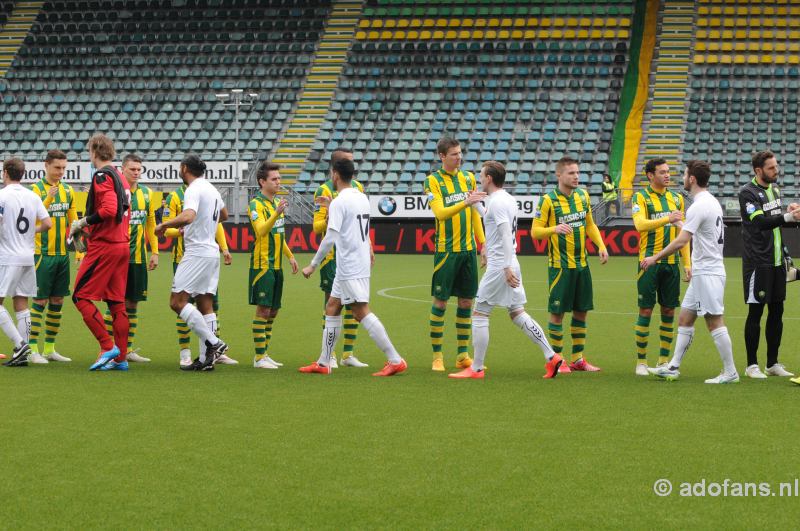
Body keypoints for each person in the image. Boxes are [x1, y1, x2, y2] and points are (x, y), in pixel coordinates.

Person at [449, 161, 564, 379]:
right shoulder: (504, 199)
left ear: (489, 178)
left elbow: (503, 234)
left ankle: (477, 368)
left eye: (481, 176)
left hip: (501, 265)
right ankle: (552, 356)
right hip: (509, 262)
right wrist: (475, 204)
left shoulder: (498, 202)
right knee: (517, 312)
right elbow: (491, 222)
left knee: (480, 313)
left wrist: (505, 266)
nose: (479, 179)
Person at [300, 158, 407, 376]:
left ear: (335, 175)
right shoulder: (361, 197)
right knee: (332, 306)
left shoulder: (340, 202)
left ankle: (395, 359)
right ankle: (323, 362)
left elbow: (330, 237)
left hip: (349, 264)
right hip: (355, 262)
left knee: (360, 312)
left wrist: (313, 264)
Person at [645, 160, 745, 383]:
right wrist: (680, 224)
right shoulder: (710, 202)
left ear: (692, 179)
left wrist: (654, 258)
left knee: (714, 321)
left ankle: (730, 372)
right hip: (704, 271)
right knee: (685, 318)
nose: (681, 178)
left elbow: (682, 242)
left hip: (708, 272)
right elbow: (698, 232)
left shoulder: (699, 205)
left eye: (685, 174)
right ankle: (673, 366)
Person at [531, 156, 607, 373]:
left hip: (582, 265)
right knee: (557, 313)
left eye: (577, 172)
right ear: (559, 175)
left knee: (581, 311)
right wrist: (553, 229)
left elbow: (590, 224)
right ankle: (558, 360)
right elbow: (535, 232)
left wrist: (601, 245)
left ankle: (578, 359)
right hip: (560, 267)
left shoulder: (582, 196)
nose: (576, 177)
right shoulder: (548, 200)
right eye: (571, 173)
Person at [155, 154, 230, 371]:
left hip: (196, 252)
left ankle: (215, 343)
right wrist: (204, 221)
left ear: (184, 168)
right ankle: (207, 360)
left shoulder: (193, 188)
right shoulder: (212, 189)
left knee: (176, 302)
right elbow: (223, 215)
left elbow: (188, 216)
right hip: (211, 251)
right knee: (204, 303)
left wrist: (164, 225)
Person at [68, 134, 131, 371]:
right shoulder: (121, 177)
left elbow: (109, 208)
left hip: (105, 246)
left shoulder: (102, 175)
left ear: (94, 150)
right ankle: (121, 358)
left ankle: (107, 346)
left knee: (80, 296)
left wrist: (83, 222)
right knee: (116, 302)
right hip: (122, 244)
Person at [425, 136, 486, 371]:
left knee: (466, 301)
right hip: (446, 251)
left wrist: (483, 244)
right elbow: (440, 213)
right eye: (454, 154)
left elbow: (474, 214)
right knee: (440, 302)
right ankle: (437, 355)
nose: (459, 157)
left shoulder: (468, 178)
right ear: (442, 156)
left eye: (460, 153)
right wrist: (466, 201)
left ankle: (462, 355)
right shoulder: (432, 182)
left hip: (468, 251)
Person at [738, 150, 797, 379]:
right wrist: (787, 218)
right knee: (755, 312)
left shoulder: (775, 190)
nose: (777, 170)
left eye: (776, 166)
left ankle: (772, 364)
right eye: (771, 168)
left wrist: (789, 212)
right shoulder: (747, 193)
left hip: (776, 262)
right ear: (758, 170)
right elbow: (761, 223)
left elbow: (776, 221)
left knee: (777, 311)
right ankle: (751, 365)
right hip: (758, 263)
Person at [631, 158, 691, 376]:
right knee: (645, 310)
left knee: (668, 310)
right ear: (650, 175)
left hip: (672, 264)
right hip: (648, 262)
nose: (667, 175)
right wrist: (667, 218)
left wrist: (687, 263)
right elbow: (640, 225)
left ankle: (664, 360)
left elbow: (682, 234)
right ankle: (641, 362)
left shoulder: (676, 198)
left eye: (668, 172)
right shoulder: (641, 197)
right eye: (662, 172)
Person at [312, 148, 369, 368]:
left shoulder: (358, 189)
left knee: (354, 304)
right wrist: (329, 215)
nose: (352, 167)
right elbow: (317, 227)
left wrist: (370, 248)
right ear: (336, 168)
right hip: (332, 257)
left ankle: (348, 354)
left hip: (353, 255)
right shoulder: (323, 190)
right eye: (349, 162)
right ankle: (331, 354)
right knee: (331, 303)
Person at [102, 154, 158, 363]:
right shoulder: (116, 192)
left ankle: (128, 348)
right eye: (132, 169)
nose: (136, 172)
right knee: (114, 303)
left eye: (138, 169)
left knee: (133, 304)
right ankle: (108, 348)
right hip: (117, 257)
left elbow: (151, 224)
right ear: (122, 169)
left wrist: (155, 251)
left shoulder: (147, 194)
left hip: (138, 259)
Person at [28, 149, 82, 364]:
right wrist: (47, 200)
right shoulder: (34, 191)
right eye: (57, 167)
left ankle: (50, 348)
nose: (61, 172)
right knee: (39, 300)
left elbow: (74, 223)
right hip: (41, 255)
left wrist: (79, 250)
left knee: (58, 300)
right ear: (46, 166)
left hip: (62, 255)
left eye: (63, 168)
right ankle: (32, 349)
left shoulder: (68, 191)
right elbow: (29, 222)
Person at [0, 158, 52, 367]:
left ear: (5, 172)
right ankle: (20, 353)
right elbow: (47, 223)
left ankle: (20, 344)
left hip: (7, 256)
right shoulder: (32, 196)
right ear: (22, 175)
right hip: (27, 256)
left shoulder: (2, 196)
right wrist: (32, 231)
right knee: (21, 302)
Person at [248, 162, 298, 369]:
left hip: (277, 265)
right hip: (262, 264)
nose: (279, 182)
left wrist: (290, 256)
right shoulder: (256, 205)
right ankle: (259, 357)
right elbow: (261, 231)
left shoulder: (276, 203)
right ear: (262, 181)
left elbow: (279, 235)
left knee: (274, 310)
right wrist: (276, 214)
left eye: (279, 178)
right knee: (263, 309)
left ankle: (265, 353)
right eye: (274, 179)